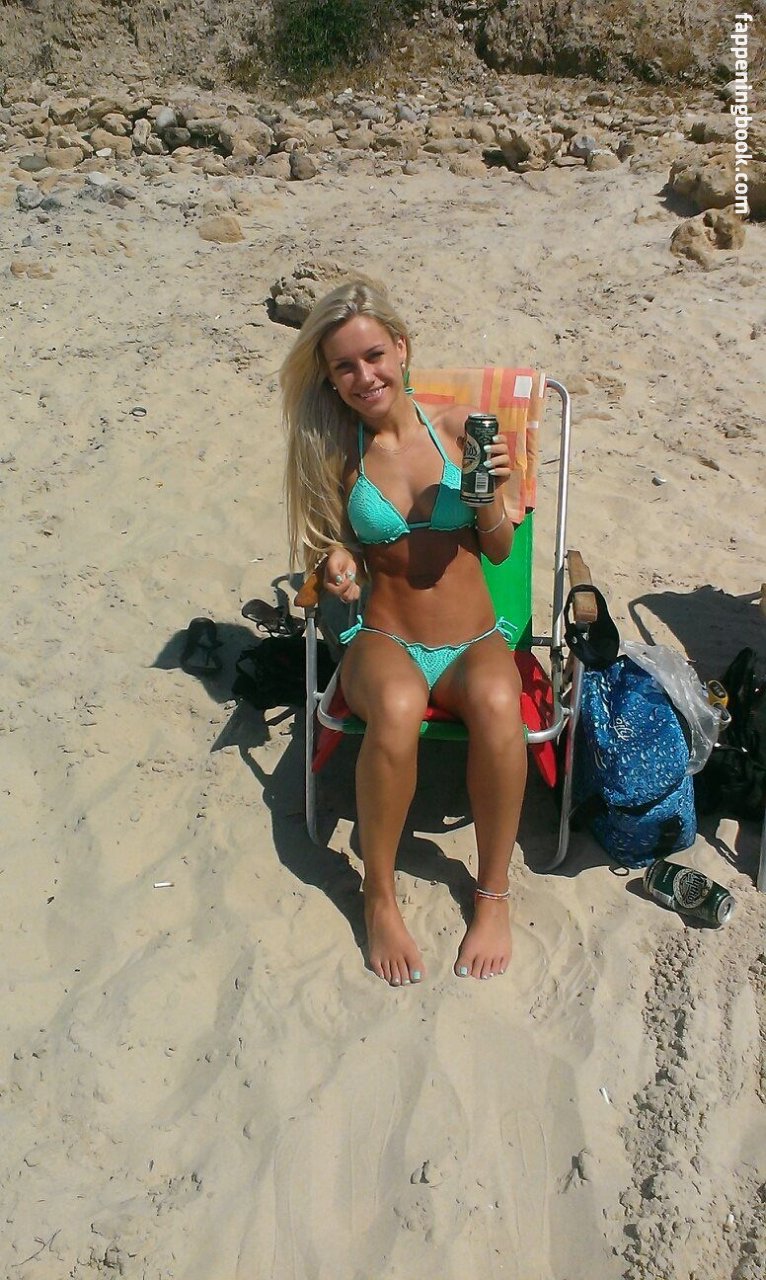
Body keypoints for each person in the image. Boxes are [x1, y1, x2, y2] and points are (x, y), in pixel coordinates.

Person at [281, 279, 527, 987]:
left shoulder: (462, 431)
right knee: (393, 706)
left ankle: (492, 894)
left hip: (474, 636)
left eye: (374, 356)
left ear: (401, 348)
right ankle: (379, 896)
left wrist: (488, 495)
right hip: (386, 637)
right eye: (345, 367)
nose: (365, 377)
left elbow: (501, 550)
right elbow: (330, 551)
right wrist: (337, 564)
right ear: (330, 378)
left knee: (500, 703)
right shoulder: (335, 450)